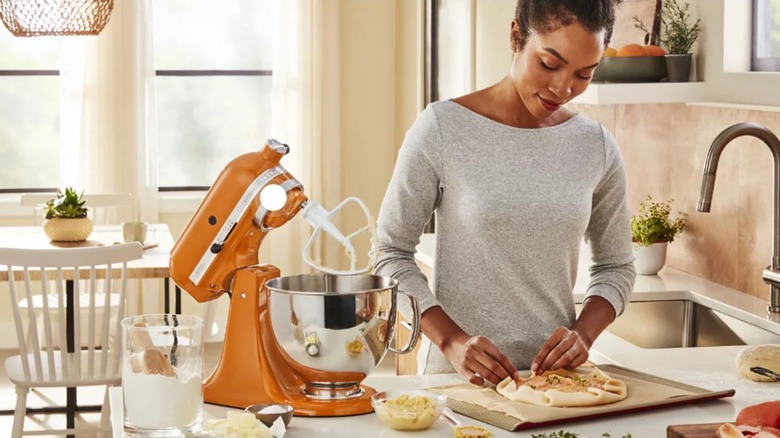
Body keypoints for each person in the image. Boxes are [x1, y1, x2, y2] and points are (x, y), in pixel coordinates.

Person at [374, 0, 636, 387]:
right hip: (460, 385)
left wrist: (583, 334)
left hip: (556, 389)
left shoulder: (595, 145)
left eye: (584, 74)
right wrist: (452, 341)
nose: (563, 88)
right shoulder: (443, 129)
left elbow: (617, 267)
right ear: (516, 36)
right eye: (549, 64)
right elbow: (390, 254)